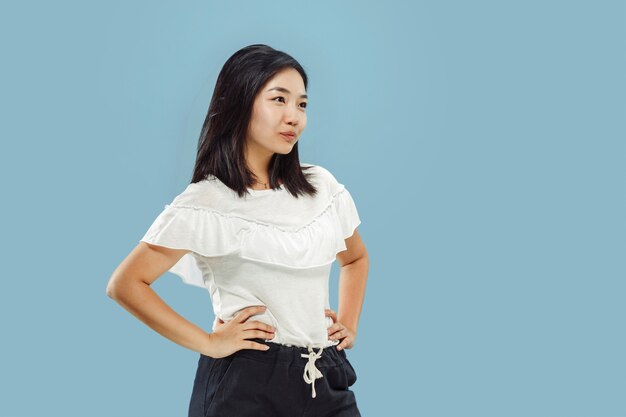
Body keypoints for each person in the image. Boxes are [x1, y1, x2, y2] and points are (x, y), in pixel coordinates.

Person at [106, 44, 369, 417]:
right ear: (240, 101)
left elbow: (355, 257)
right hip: (248, 380)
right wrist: (210, 343)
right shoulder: (207, 202)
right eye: (279, 99)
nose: (294, 116)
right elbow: (125, 284)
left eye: (302, 104)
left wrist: (349, 322)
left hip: (323, 374)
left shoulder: (321, 187)